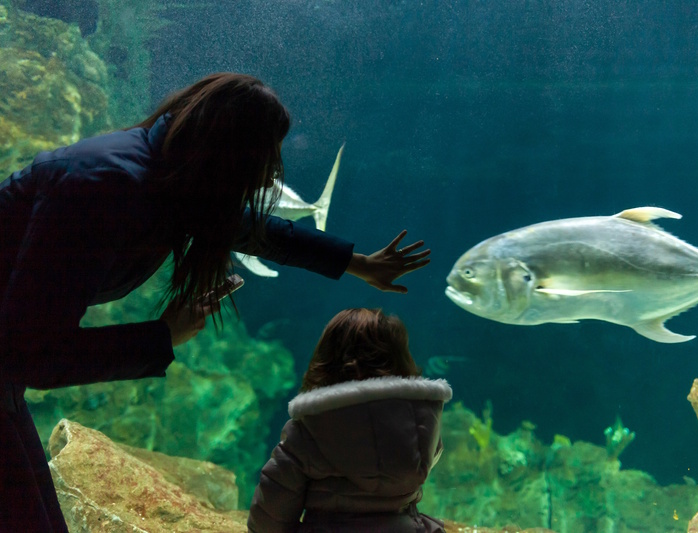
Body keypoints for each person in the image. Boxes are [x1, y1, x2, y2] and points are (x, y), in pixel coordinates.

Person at [0, 72, 430, 532]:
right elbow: (27, 353)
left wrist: (357, 264)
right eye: (265, 158)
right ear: (231, 153)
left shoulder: (161, 176)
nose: (270, 176)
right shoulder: (103, 187)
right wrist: (161, 337)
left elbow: (250, 230)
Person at [248, 308, 451, 533]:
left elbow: (269, 519)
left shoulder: (307, 432)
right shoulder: (422, 425)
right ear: (402, 360)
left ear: (326, 360)